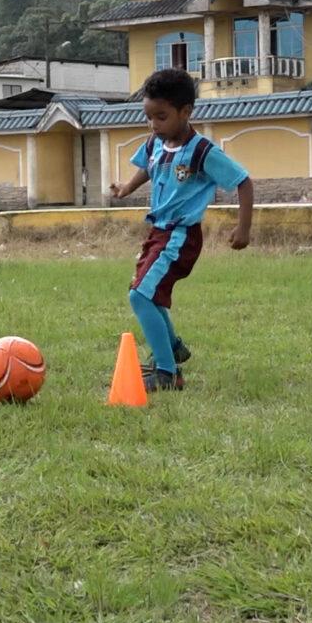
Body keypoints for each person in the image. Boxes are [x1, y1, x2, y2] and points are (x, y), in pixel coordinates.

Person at [110, 68, 253, 392]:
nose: (153, 125)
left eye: (161, 117)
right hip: (158, 232)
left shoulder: (202, 151)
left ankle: (167, 372)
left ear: (185, 112)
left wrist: (243, 229)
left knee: (140, 295)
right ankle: (172, 346)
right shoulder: (156, 142)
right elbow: (148, 167)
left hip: (180, 236)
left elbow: (243, 181)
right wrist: (126, 189)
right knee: (150, 294)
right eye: (149, 117)